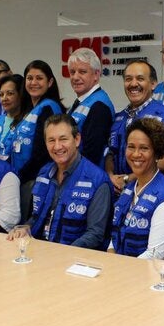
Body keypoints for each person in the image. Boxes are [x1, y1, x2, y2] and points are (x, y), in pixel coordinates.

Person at [9, 114, 111, 250]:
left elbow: (95, 235)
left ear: (77, 139)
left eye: (63, 139)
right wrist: (25, 229)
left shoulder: (97, 180)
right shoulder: (44, 173)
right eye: (51, 140)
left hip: (75, 256)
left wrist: (62, 253)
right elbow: (36, 218)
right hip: (39, 251)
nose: (57, 147)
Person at [110, 118, 164, 258]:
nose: (136, 154)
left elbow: (154, 256)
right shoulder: (128, 189)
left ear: (157, 153)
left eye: (144, 148)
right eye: (131, 147)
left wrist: (116, 267)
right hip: (119, 267)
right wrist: (110, 260)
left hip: (149, 269)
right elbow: (114, 239)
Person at [106, 60, 164, 193]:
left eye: (140, 79)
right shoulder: (119, 118)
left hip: (152, 194)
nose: (133, 84)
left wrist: (128, 179)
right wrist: (111, 176)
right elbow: (110, 153)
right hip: (118, 192)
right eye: (128, 79)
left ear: (153, 84)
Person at [11, 60, 65, 182]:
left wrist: (20, 176)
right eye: (29, 78)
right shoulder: (30, 110)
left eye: (39, 78)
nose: (33, 83)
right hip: (22, 176)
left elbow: (42, 152)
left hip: (36, 178)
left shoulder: (48, 108)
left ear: (50, 82)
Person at [66, 48, 115, 166]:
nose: (75, 77)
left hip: (85, 174)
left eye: (82, 72)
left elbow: (91, 155)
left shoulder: (99, 106)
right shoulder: (83, 101)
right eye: (72, 72)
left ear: (96, 74)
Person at [0, 74, 29, 161]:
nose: (4, 98)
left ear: (21, 95)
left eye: (10, 93)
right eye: (1, 94)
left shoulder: (29, 122)